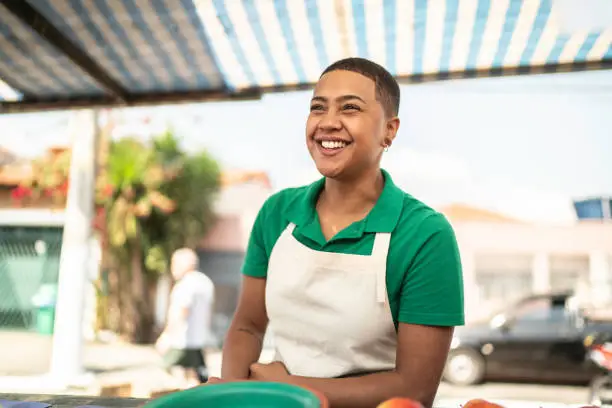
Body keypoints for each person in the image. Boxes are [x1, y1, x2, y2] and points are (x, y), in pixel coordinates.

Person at [212, 58, 464, 408]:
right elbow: (248, 325)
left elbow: (415, 388)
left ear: (389, 130)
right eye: (318, 108)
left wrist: (290, 390)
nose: (328, 123)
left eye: (350, 108)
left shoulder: (425, 235)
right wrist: (232, 394)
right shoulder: (276, 214)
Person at [156, 248, 214, 388]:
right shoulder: (205, 282)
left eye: (174, 263)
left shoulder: (185, 285)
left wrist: (167, 336)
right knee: (194, 377)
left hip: (182, 341)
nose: (172, 268)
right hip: (199, 341)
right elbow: (209, 313)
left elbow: (181, 311)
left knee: (167, 368)